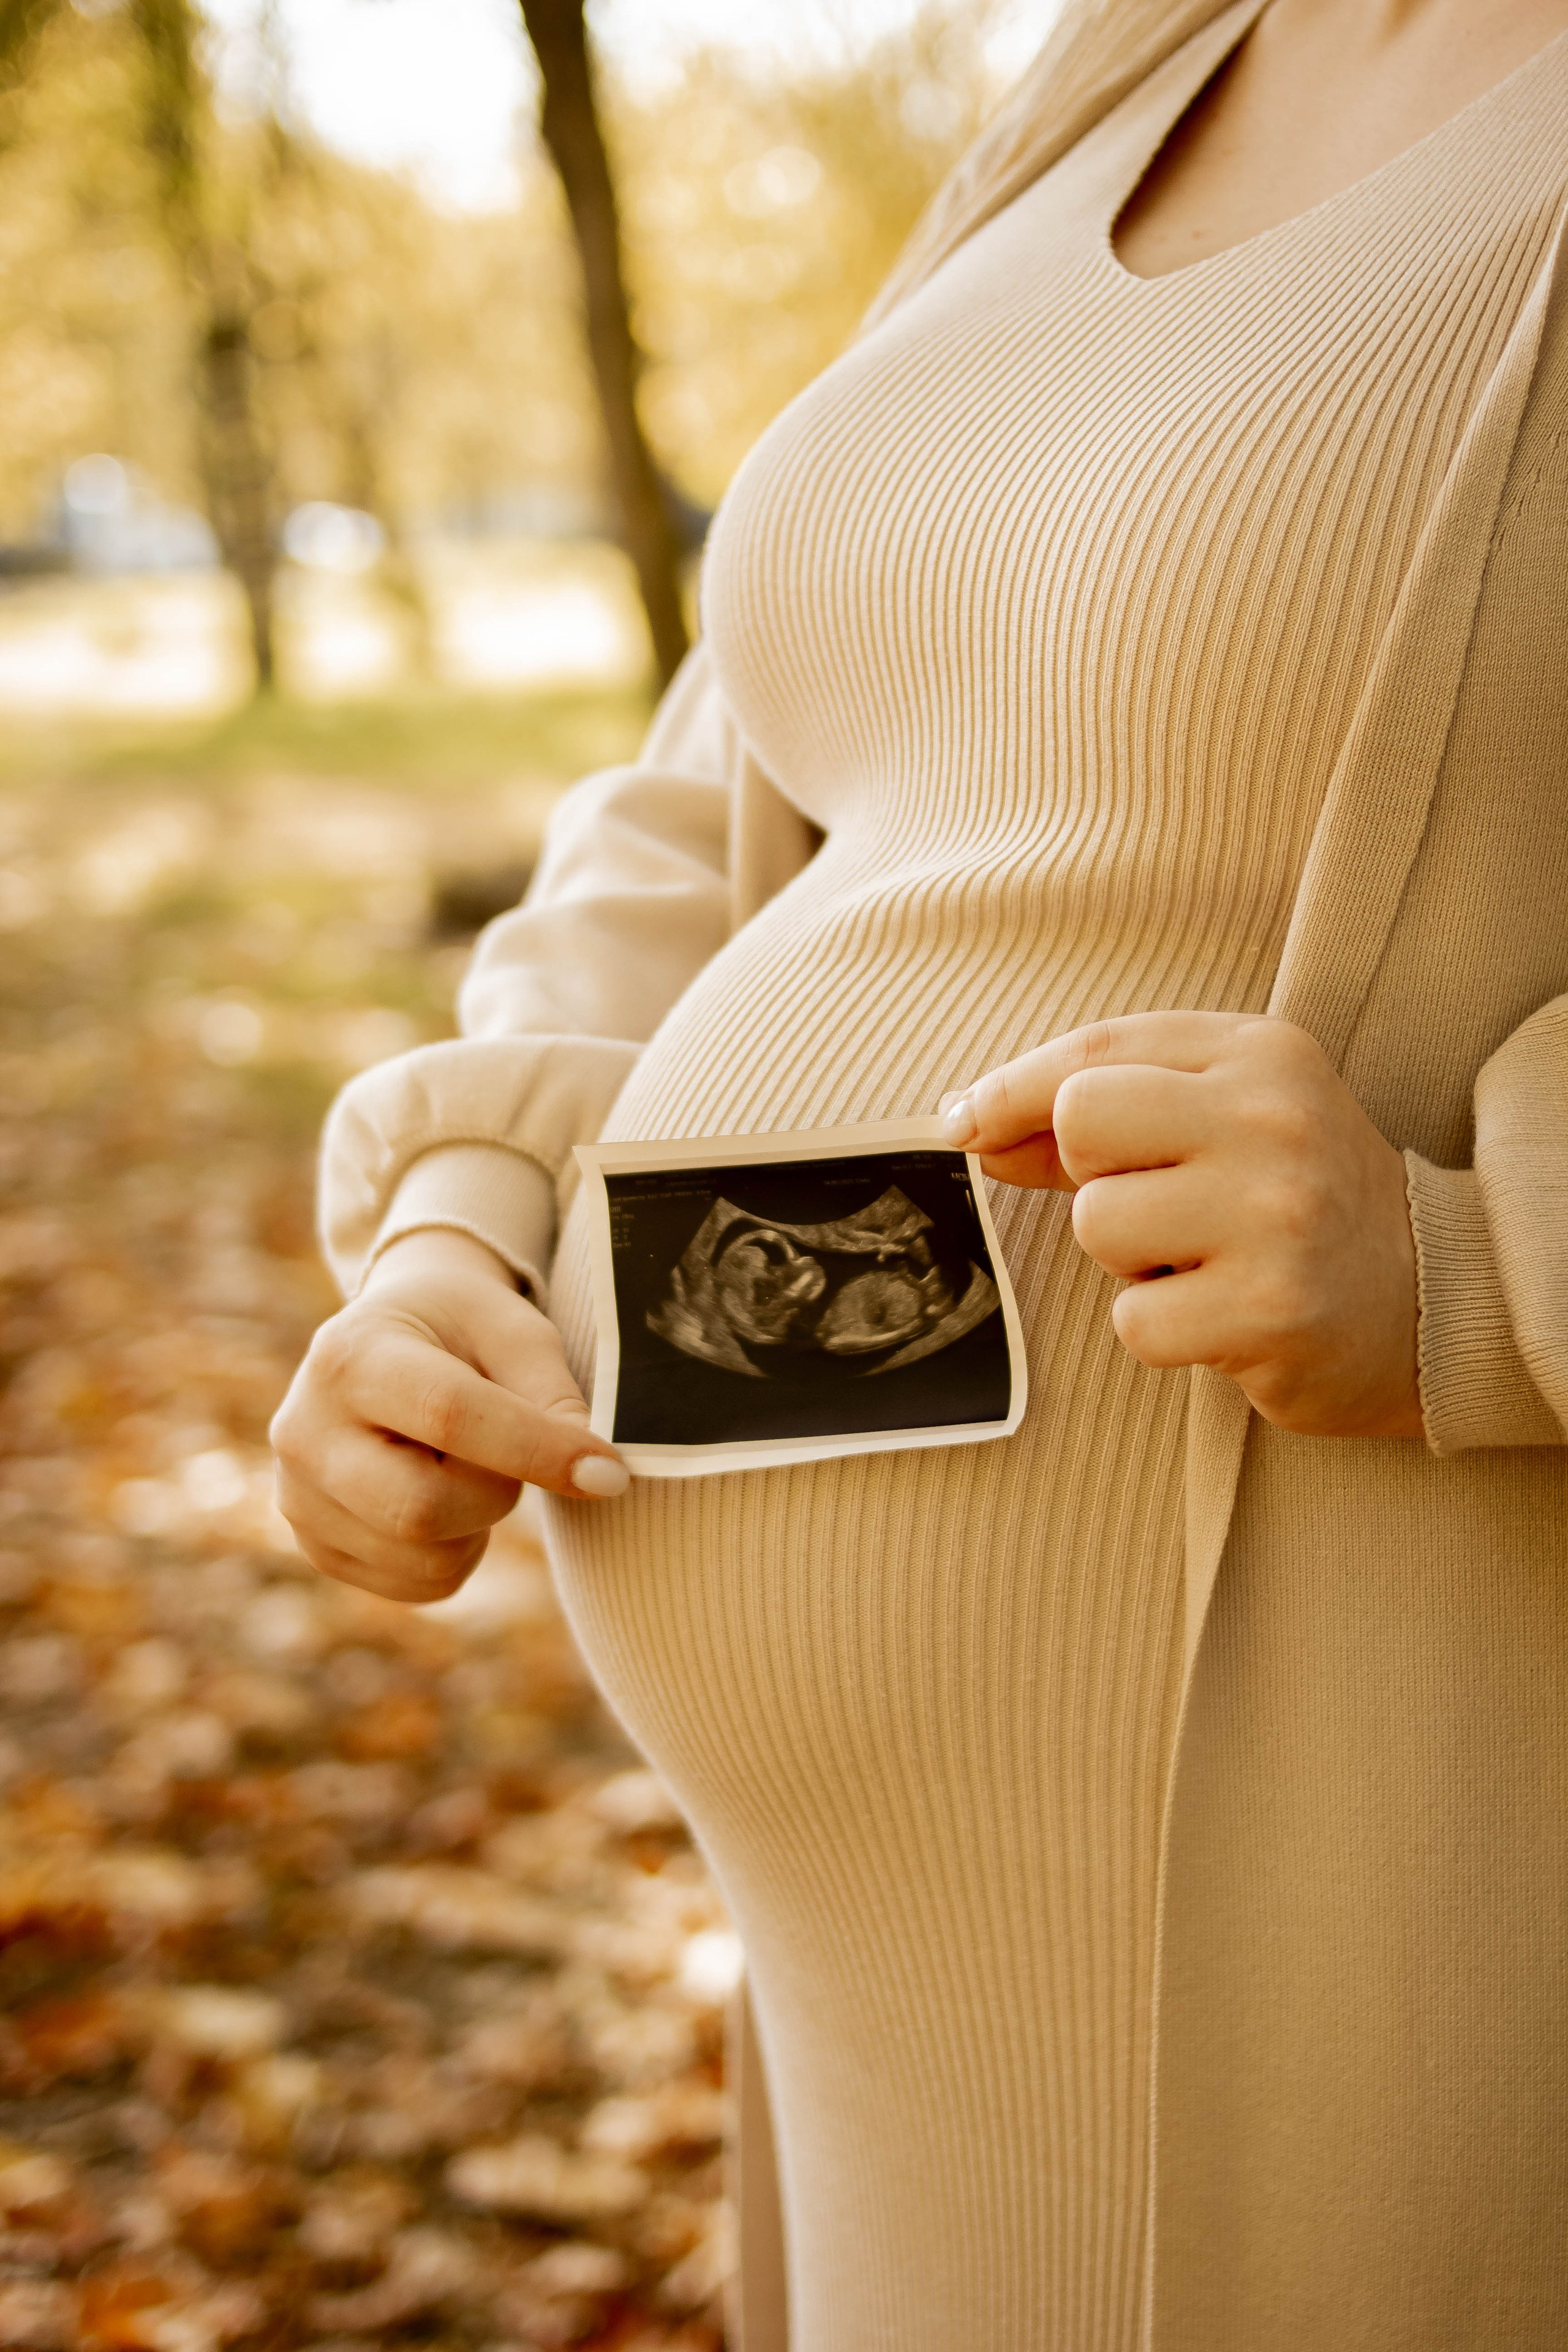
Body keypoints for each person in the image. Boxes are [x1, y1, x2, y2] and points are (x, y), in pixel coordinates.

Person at [271, 1, 1568, 2343]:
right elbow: (732, 775)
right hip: (894, 1959)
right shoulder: (1138, 48)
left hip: (1377, 1847)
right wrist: (467, 1210)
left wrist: (1480, 1261)